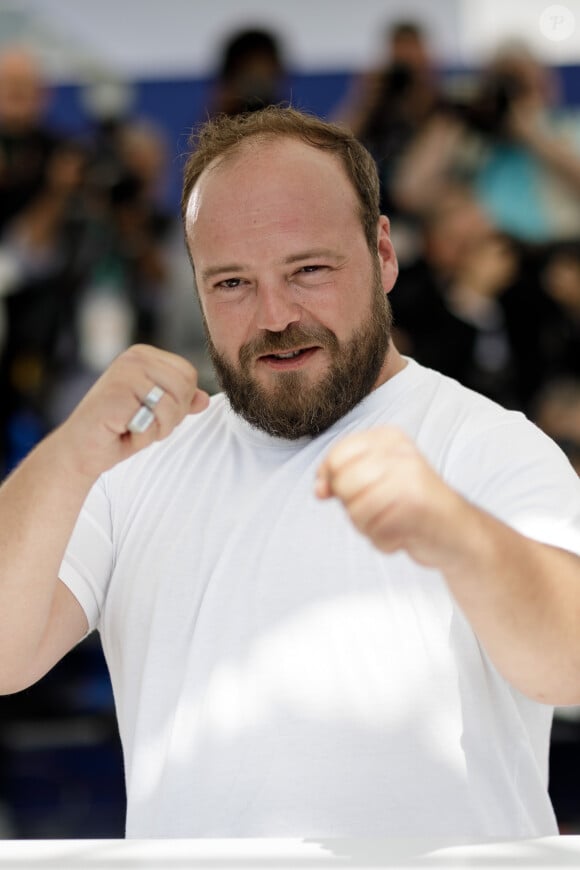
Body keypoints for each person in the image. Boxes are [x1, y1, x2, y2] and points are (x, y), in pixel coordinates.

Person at [0, 106, 579, 841]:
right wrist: (69, 452)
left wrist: (458, 535)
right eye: (232, 283)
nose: (275, 315)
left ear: (383, 254)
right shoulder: (135, 462)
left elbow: (570, 661)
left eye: (308, 270)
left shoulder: (486, 445)